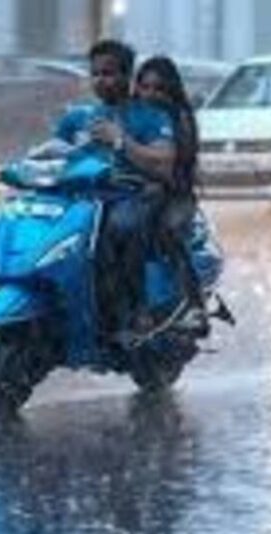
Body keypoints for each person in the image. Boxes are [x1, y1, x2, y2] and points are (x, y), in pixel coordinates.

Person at [38, 40, 177, 338]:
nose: (101, 80)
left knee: (119, 225)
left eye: (109, 73)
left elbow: (164, 161)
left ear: (128, 76)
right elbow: (53, 152)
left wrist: (120, 140)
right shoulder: (77, 117)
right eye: (96, 74)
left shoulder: (150, 116)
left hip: (129, 197)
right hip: (79, 199)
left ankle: (134, 310)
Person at [133, 56, 207, 322]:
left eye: (158, 88)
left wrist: (158, 181)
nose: (150, 94)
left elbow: (178, 163)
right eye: (145, 87)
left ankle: (194, 303)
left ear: (171, 90)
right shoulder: (129, 115)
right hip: (130, 194)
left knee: (168, 233)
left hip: (175, 195)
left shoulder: (180, 118)